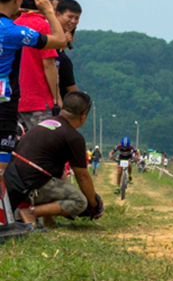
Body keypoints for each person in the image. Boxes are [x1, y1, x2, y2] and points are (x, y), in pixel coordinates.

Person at [0, 0, 66, 173]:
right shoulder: (14, 32)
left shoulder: (14, 27)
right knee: (2, 165)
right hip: (5, 102)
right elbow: (60, 40)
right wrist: (49, 12)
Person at [4, 92, 103, 226]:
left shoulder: (46, 123)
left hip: (12, 180)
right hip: (28, 186)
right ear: (83, 117)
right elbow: (82, 177)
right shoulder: (74, 137)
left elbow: (57, 171)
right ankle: (30, 213)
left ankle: (49, 220)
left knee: (54, 181)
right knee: (79, 201)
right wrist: (94, 204)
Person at [15, 0, 60, 133]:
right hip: (38, 101)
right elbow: (49, 65)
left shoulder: (13, 24)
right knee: (42, 148)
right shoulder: (42, 26)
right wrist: (56, 98)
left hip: (14, 99)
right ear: (46, 1)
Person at [55, 0, 82, 96]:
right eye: (70, 17)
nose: (73, 21)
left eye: (77, 18)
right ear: (58, 14)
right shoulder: (48, 36)